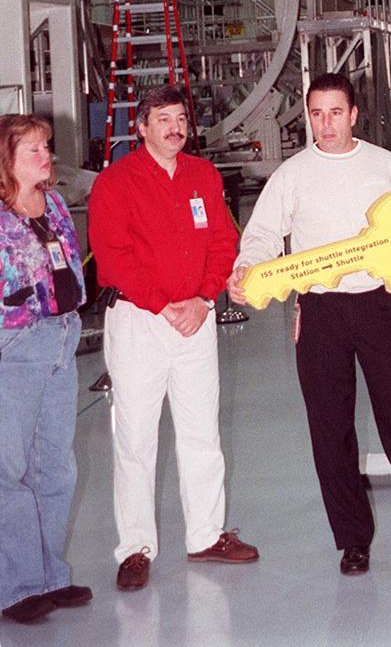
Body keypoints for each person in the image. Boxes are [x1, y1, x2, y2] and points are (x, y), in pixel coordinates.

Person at [228, 73, 391, 576]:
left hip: (381, 307)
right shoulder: (291, 175)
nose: (326, 124)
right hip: (320, 313)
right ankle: (352, 539)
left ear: (354, 114)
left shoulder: (386, 168)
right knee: (330, 429)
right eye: (316, 114)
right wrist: (246, 269)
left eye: (335, 112)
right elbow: (263, 236)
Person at [89, 86, 258, 591]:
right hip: (141, 322)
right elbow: (113, 256)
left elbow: (225, 242)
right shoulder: (115, 183)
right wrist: (164, 305)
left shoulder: (203, 176)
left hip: (195, 320)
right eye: (163, 119)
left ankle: (206, 535)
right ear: (141, 128)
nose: (175, 127)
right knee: (136, 438)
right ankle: (135, 548)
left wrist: (205, 300)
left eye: (180, 118)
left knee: (202, 431)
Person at [0, 115, 91, 625]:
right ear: (6, 159)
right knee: (6, 470)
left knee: (56, 466)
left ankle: (51, 575)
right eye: (33, 148)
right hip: (14, 344)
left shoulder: (53, 203)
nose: (45, 155)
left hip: (61, 339)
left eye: (45, 146)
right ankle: (16, 586)